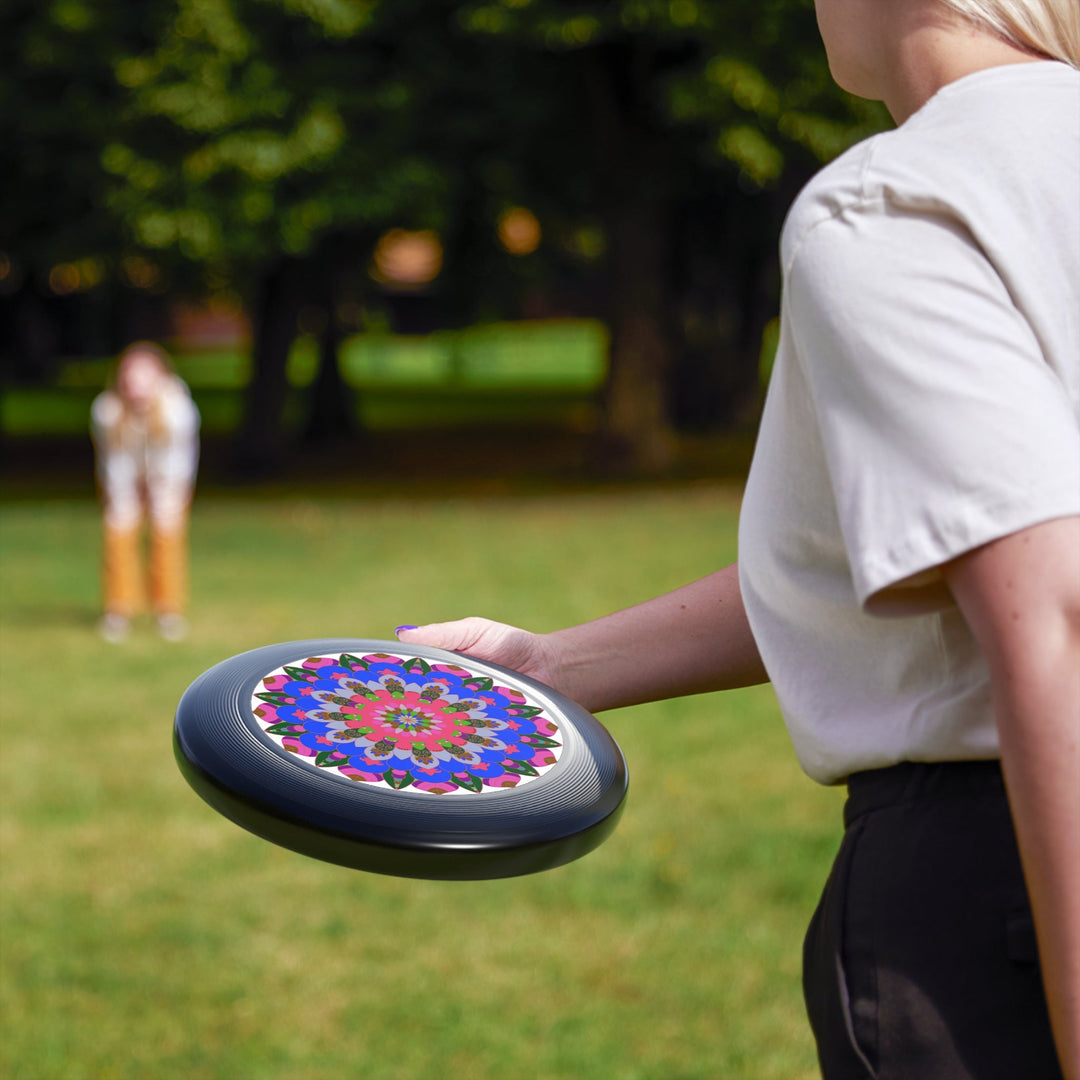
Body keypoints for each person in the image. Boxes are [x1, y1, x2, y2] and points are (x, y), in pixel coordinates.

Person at [395, 2, 1080, 1077]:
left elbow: (1055, 615)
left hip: (1003, 889)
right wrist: (550, 667)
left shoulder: (900, 202)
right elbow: (915, 553)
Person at [91, 341, 200, 642]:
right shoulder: (107, 410)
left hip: (168, 479)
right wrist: (126, 495)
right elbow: (114, 460)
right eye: (130, 376)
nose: (136, 385)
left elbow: (177, 460)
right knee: (118, 531)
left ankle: (168, 611)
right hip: (123, 478)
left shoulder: (178, 410)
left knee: (167, 535)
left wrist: (159, 492)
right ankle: (118, 610)